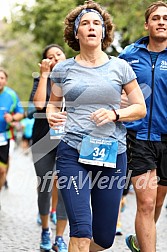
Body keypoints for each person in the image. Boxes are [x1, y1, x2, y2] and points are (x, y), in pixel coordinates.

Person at [46, 1, 146, 251]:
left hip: (112, 154)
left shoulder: (120, 67)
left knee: (103, 239)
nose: (92, 27)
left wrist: (115, 114)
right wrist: (51, 114)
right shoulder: (63, 68)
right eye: (85, 23)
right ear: (76, 32)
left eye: (97, 24)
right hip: (73, 153)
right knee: (81, 231)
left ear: (103, 32)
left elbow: (140, 108)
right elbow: (52, 103)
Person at [119, 1, 167, 251]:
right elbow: (112, 85)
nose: (162, 22)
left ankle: (140, 241)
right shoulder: (129, 55)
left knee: (158, 200)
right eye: (156, 18)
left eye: (166, 18)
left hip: (166, 137)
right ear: (147, 24)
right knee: (146, 203)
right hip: (138, 137)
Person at [30, 44, 68, 252]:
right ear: (46, 62)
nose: (55, 59)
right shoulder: (40, 79)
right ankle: (46, 229)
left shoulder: (75, 75)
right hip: (43, 140)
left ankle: (60, 237)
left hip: (69, 140)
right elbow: (38, 105)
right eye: (50, 57)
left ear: (65, 55)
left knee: (65, 190)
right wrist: (45, 75)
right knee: (44, 188)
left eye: (58, 54)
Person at [0, 68, 24, 197]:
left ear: (6, 80)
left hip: (5, 136)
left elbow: (21, 113)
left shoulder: (11, 95)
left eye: (2, 78)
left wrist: (13, 118)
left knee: (2, 170)